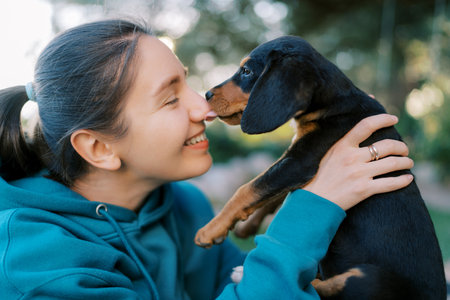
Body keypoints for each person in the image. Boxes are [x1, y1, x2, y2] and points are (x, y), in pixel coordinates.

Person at [0, 19, 414, 299]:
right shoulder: (37, 265)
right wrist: (310, 211)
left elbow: (259, 283)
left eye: (186, 82)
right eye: (170, 98)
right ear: (100, 148)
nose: (203, 106)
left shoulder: (185, 207)